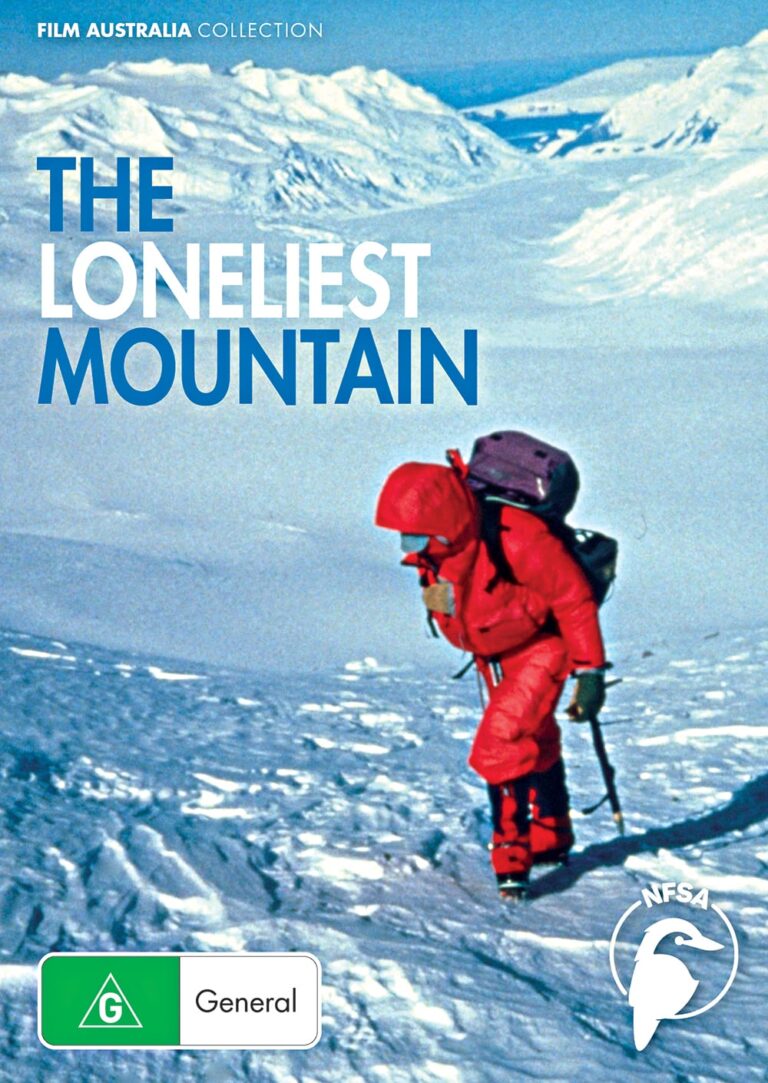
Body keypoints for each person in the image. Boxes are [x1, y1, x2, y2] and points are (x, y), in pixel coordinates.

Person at [374, 451, 607, 900]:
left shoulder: (518, 538)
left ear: (444, 522)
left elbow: (573, 598)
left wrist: (590, 672)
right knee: (532, 734)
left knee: (500, 743)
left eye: (417, 535)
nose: (409, 547)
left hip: (544, 644)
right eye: (406, 536)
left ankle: (511, 861)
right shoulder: (443, 547)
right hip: (498, 651)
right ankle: (551, 836)